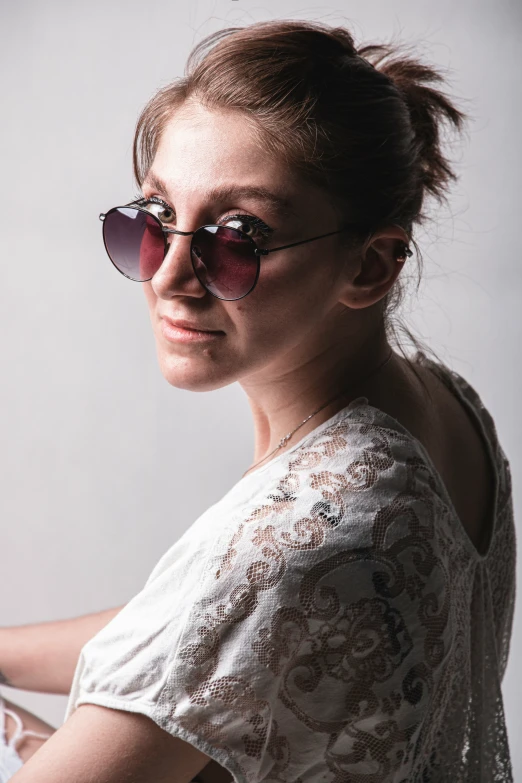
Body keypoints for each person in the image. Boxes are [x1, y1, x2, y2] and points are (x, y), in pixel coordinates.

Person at [0, 18, 516, 783]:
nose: (170, 274)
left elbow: (254, 587)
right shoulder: (447, 409)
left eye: (237, 234)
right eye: (156, 218)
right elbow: (206, 627)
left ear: (370, 267)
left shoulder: (297, 533)